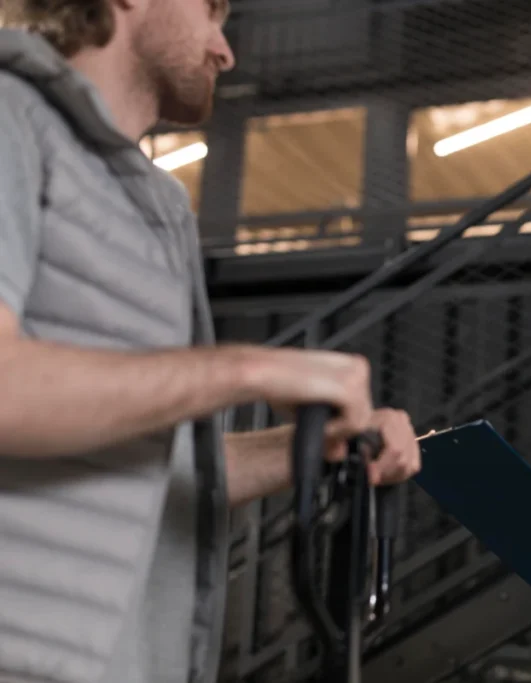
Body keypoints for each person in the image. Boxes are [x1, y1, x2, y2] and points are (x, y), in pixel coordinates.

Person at [0, 2, 421, 683]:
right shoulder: (8, 117)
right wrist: (250, 368)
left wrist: (316, 448)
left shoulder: (157, 208)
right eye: (211, 11)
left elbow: (160, 468)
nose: (225, 51)